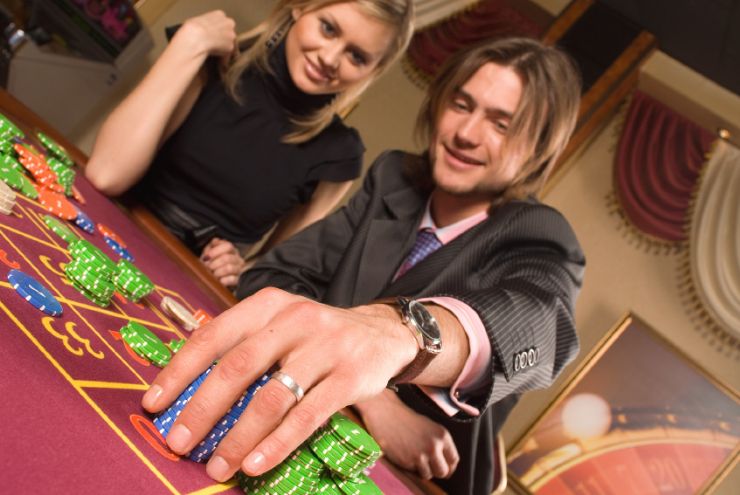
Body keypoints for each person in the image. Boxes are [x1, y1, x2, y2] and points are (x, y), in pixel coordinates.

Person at [142, 37, 585, 495]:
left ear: (538, 147)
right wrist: (368, 392)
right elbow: (271, 276)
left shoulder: (540, 235)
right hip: (283, 438)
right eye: (461, 104)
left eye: (501, 124)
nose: (466, 132)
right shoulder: (394, 180)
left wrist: (401, 337)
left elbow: (540, 325)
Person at [85, 1, 414, 288]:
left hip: (187, 294)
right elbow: (106, 174)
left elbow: (275, 272)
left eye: (356, 56)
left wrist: (241, 270)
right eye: (328, 28)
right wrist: (191, 41)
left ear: (374, 70)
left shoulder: (339, 155)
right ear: (300, 5)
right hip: (106, 234)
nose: (330, 58)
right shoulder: (211, 59)